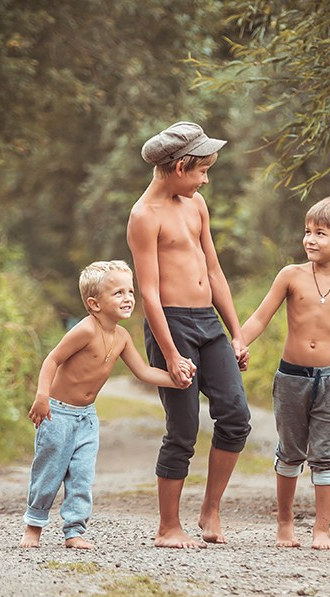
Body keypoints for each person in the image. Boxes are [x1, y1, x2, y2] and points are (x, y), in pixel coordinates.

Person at [127, 121, 252, 548]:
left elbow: (213, 269)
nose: (205, 179)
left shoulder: (196, 205)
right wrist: (171, 354)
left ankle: (211, 508)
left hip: (208, 323)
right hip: (173, 325)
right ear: (179, 167)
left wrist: (236, 332)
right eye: (201, 170)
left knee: (235, 418)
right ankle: (168, 527)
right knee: (182, 428)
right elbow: (148, 293)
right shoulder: (145, 216)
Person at [240, 195, 330, 550]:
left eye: (320, 233)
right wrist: (238, 343)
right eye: (307, 231)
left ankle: (322, 529)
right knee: (290, 451)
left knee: (325, 453)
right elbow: (261, 316)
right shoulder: (290, 275)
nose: (309, 239)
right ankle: (285, 524)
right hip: (291, 377)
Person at [20, 260, 194, 549]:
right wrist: (42, 396)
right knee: (48, 472)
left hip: (87, 419)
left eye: (130, 291)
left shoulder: (123, 337)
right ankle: (33, 527)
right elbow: (52, 360)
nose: (128, 298)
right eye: (118, 293)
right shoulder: (85, 330)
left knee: (82, 476)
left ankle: (74, 531)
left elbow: (144, 372)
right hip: (58, 414)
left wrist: (177, 379)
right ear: (94, 303)